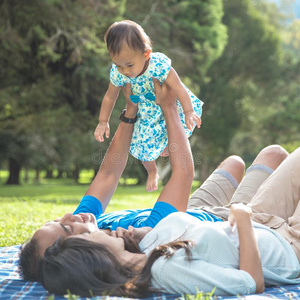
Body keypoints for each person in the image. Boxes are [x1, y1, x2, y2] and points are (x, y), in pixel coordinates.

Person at [19, 79, 218, 282]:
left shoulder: (88, 224)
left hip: (194, 209)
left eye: (56, 220)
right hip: (217, 218)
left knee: (234, 164)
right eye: (66, 228)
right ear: (77, 253)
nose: (69, 216)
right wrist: (169, 108)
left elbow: (108, 174)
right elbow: (182, 174)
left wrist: (130, 110)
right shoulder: (143, 239)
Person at [40, 145, 300, 298]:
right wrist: (242, 220)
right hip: (288, 247)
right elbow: (251, 283)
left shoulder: (143, 251)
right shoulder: (165, 271)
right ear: (91, 254)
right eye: (75, 233)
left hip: (264, 225)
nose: (107, 231)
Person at [94, 20, 203, 192]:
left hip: (169, 107)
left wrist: (189, 111)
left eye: (129, 65)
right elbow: (110, 96)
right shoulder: (118, 73)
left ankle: (167, 144)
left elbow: (179, 88)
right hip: (146, 113)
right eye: (118, 65)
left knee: (179, 128)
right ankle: (152, 171)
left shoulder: (158, 65)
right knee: (140, 144)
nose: (125, 71)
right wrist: (102, 121)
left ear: (146, 54)